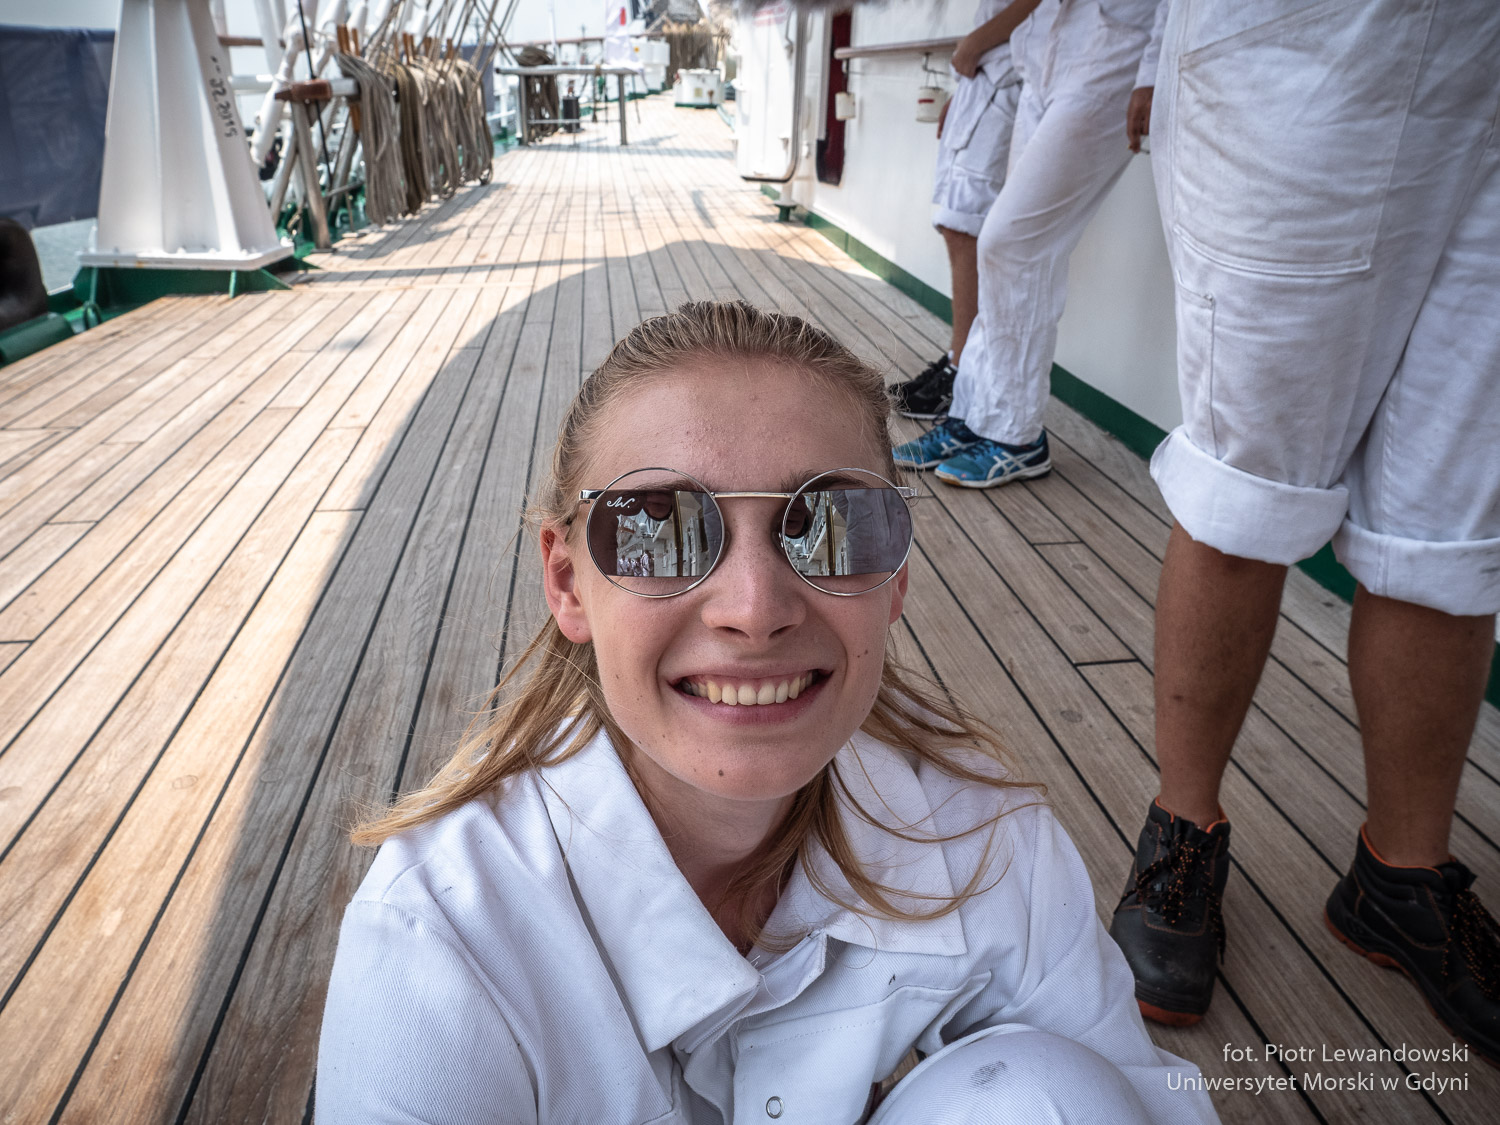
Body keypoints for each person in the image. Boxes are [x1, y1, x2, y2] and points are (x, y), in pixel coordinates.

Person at [316, 301, 1219, 1123]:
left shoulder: (984, 840)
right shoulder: (439, 943)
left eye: (830, 523)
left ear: (895, 577)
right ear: (568, 582)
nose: (754, 607)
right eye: (660, 527)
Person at [1108, 0, 1500, 1065]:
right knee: (1246, 483)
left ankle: (1402, 877)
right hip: (1313, 46)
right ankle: (1184, 828)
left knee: (1458, 521)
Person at [895, 0, 1165, 487]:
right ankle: (972, 414)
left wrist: (1152, 69)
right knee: (1007, 251)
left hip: (1115, 48)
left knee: (1011, 244)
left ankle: (1016, 436)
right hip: (1044, 53)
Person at [891, 0, 1044, 421]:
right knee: (959, 223)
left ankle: (963, 372)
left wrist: (974, 44)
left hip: (1007, 72)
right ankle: (961, 359)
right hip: (989, 78)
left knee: (968, 225)